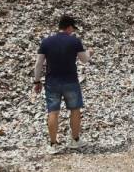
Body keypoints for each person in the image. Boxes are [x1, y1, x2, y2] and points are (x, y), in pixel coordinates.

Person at [33, 15, 93, 154]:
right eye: (72, 28)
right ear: (69, 27)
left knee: (53, 112)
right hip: (70, 81)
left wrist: (37, 81)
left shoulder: (46, 42)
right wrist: (90, 52)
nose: (73, 31)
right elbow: (84, 60)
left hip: (52, 82)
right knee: (75, 110)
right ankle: (75, 140)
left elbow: (38, 64)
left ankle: (53, 144)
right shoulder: (74, 41)